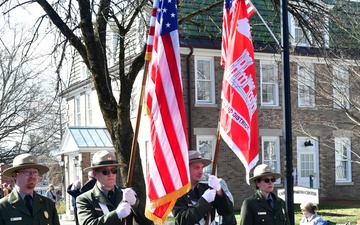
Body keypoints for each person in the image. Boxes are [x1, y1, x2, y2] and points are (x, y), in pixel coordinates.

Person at [76, 150, 153, 225]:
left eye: (114, 170)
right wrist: (116, 215)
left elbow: (148, 222)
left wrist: (135, 204)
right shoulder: (85, 199)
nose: (110, 175)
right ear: (95, 174)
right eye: (105, 171)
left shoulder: (125, 193)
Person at [172, 150, 234, 225]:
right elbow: (183, 220)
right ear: (186, 170)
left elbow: (226, 211)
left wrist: (219, 191)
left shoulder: (207, 188)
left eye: (202, 167)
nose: (201, 172)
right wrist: (204, 201)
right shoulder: (177, 193)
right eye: (196, 168)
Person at [0, 153, 60, 225]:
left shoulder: (48, 204)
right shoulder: (3, 206)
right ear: (15, 175)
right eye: (27, 172)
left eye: (35, 172)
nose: (32, 176)